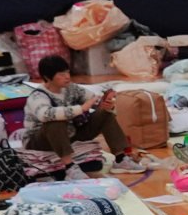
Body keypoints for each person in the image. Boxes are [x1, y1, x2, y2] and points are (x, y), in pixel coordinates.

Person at [22, 56, 151, 174]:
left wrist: (106, 104)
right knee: (55, 121)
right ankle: (69, 167)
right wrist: (82, 108)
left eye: (67, 72)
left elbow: (92, 99)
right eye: (61, 74)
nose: (67, 76)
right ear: (47, 77)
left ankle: (120, 158)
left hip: (69, 133)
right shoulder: (38, 95)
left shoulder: (71, 88)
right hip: (39, 140)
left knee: (104, 113)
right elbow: (45, 114)